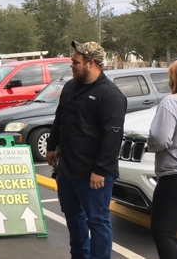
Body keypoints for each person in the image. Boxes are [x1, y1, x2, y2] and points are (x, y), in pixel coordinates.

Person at [46, 41, 126, 259]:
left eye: (75, 62)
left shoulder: (110, 95)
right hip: (68, 170)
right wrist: (52, 146)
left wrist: (101, 170)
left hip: (93, 174)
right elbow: (60, 118)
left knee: (97, 221)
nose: (71, 65)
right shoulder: (70, 87)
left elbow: (113, 136)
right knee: (73, 218)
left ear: (91, 63)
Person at [148, 60, 177, 259]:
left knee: (162, 232)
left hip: (176, 177)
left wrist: (152, 146)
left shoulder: (173, 102)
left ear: (176, 78)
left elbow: (159, 138)